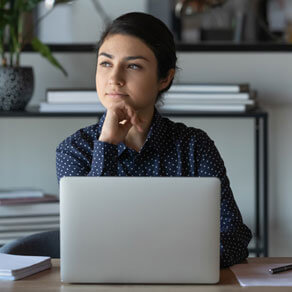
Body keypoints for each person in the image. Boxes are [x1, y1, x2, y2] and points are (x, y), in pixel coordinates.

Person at [56, 12, 252, 268]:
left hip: (183, 280)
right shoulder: (74, 150)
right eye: (105, 63)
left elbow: (235, 236)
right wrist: (107, 144)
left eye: (133, 65)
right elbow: (86, 236)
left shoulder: (194, 146)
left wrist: (178, 263)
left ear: (165, 78)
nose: (114, 78)